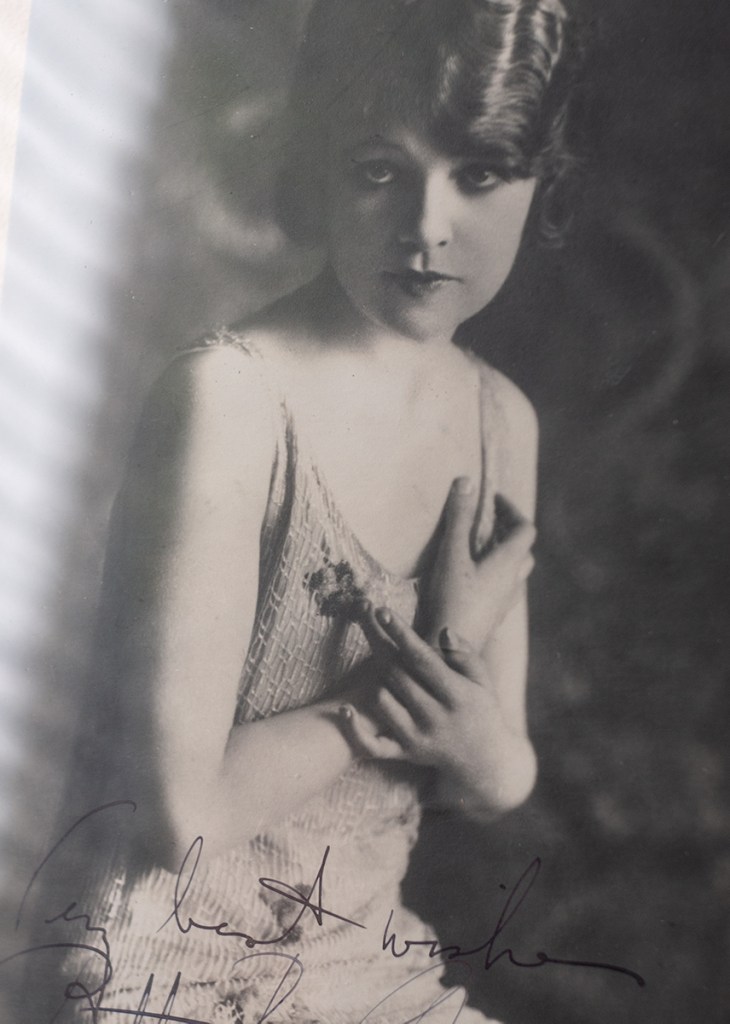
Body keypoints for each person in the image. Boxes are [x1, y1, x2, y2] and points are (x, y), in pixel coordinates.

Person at [36, 1, 580, 1021]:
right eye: (379, 170)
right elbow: (186, 818)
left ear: (540, 181)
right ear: (318, 167)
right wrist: (426, 657)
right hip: (157, 965)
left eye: (478, 175)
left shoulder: (501, 422)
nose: (427, 227)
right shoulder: (231, 400)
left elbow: (496, 774)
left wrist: (471, 728)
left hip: (357, 957)